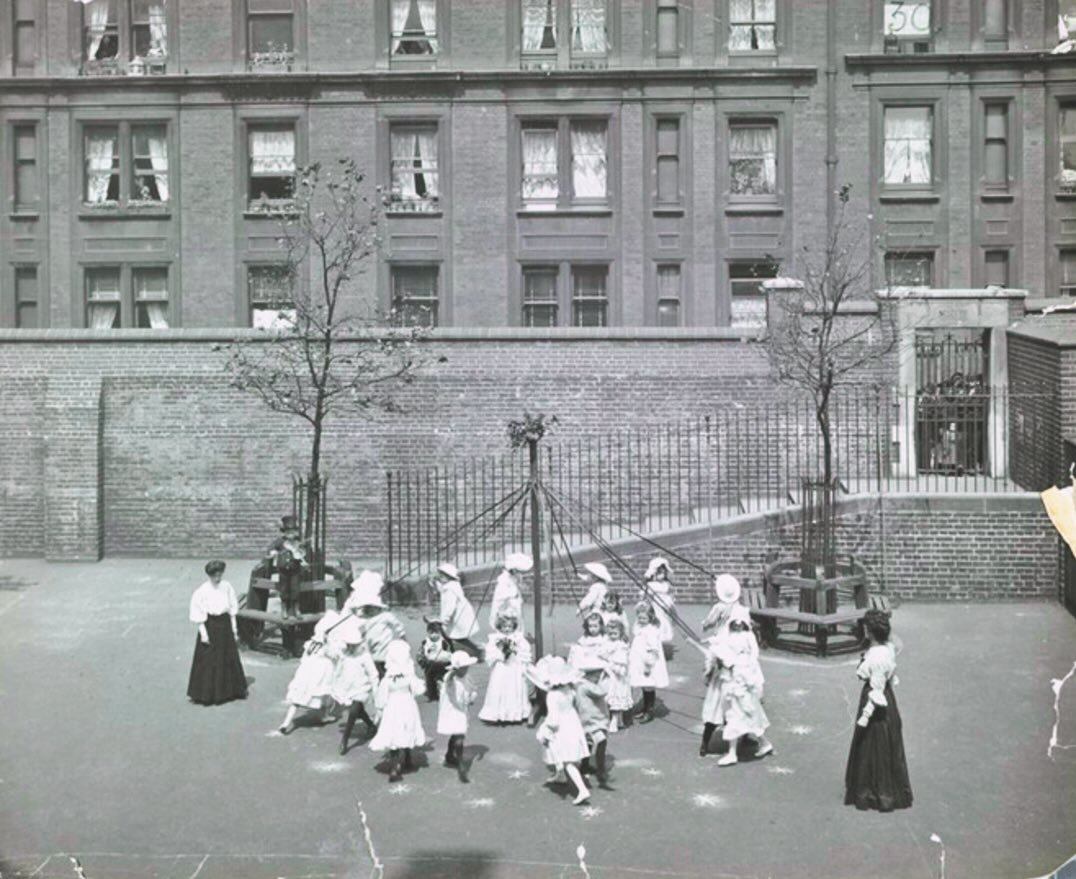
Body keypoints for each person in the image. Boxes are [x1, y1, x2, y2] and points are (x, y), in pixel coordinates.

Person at [844, 609, 913, 812]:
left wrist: (865, 716)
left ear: (868, 632)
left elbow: (876, 690)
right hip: (888, 699)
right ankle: (886, 789)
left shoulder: (875, 657)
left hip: (875, 701)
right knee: (886, 744)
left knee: (871, 743)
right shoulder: (888, 649)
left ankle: (873, 792)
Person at [711, 605, 774, 766]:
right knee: (736, 716)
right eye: (734, 622)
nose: (738, 625)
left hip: (742, 684)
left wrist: (744, 673)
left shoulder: (748, 639)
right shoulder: (727, 637)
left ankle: (737, 752)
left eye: (741, 623)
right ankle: (758, 745)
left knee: (742, 715)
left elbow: (753, 656)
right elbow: (719, 647)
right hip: (732, 682)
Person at [187, 560, 248, 706]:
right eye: (214, 575)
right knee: (209, 660)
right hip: (211, 626)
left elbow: (232, 607)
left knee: (228, 657)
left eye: (219, 575)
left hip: (225, 624)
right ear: (209, 575)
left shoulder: (226, 587)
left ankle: (230, 691)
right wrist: (204, 633)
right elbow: (198, 613)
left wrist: (234, 629)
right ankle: (208, 694)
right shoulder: (202, 591)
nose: (217, 578)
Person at [534, 656, 592, 805]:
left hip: (561, 728)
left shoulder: (552, 696)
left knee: (568, 760)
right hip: (572, 723)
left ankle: (582, 789)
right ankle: (561, 776)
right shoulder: (569, 690)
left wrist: (545, 729)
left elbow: (553, 720)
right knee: (561, 753)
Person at [369, 640, 427, 782]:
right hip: (407, 704)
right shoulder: (408, 674)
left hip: (392, 706)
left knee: (394, 732)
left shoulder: (388, 677)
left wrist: (380, 708)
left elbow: (381, 696)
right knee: (407, 729)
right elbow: (419, 690)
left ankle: (395, 767)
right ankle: (407, 757)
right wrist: (422, 683)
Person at [278, 608, 341, 735]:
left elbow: (304, 658)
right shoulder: (328, 646)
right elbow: (335, 656)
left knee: (297, 697)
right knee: (326, 692)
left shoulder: (311, 643)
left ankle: (286, 722)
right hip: (322, 671)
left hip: (306, 671)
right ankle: (325, 715)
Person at [331, 613, 379, 755]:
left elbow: (373, 674)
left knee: (353, 711)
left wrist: (375, 690)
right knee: (357, 710)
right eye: (349, 645)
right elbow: (338, 667)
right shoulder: (344, 654)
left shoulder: (364, 656)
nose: (351, 648)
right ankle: (371, 725)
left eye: (354, 645)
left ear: (360, 644)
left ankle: (345, 740)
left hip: (362, 688)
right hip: (348, 686)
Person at [343, 570, 406, 678]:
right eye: (367, 608)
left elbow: (398, 626)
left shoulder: (385, 616)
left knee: (382, 671)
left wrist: (403, 638)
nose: (370, 610)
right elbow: (348, 614)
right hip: (366, 650)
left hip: (383, 651)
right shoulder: (358, 609)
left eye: (372, 608)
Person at [479, 613, 532, 724]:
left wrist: (515, 651)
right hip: (501, 666)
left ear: (513, 627)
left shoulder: (518, 638)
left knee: (514, 687)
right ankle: (497, 713)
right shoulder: (495, 638)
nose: (507, 629)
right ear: (500, 627)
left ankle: (515, 713)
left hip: (514, 666)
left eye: (510, 626)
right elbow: (490, 652)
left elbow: (525, 649)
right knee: (499, 687)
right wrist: (500, 654)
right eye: (505, 626)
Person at [437, 650, 479, 781]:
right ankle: (461, 765)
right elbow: (447, 679)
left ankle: (449, 755)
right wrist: (453, 671)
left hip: (461, 710)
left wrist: (471, 697)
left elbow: (473, 689)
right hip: (452, 710)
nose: (465, 670)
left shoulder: (467, 677)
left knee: (456, 735)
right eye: (462, 668)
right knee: (459, 736)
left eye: (467, 668)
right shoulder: (451, 679)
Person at [571, 653, 611, 786]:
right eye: (598, 675)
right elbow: (602, 692)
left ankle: (585, 765)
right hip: (594, 721)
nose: (598, 678)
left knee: (587, 743)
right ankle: (601, 769)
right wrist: (608, 679)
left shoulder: (579, 684)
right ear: (591, 674)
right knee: (601, 742)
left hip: (585, 720)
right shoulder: (588, 686)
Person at [430, 562, 482, 658]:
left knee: (455, 636)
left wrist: (445, 620)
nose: (440, 577)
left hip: (457, 616)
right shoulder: (453, 585)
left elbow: (450, 606)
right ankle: (475, 649)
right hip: (461, 615)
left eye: (442, 575)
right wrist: (435, 583)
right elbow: (442, 588)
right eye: (440, 575)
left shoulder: (449, 589)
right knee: (456, 636)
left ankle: (475, 651)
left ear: (449, 576)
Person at [629, 601, 669, 724]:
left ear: (650, 617)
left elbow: (653, 649)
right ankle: (645, 708)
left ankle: (649, 711)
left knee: (648, 686)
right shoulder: (641, 628)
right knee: (644, 686)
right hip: (640, 662)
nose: (641, 620)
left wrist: (649, 665)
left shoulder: (651, 631)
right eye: (639, 617)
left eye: (644, 618)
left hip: (647, 664)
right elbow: (635, 630)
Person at [267, 514, 311, 619]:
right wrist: (273, 552)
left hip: (295, 570)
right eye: (288, 532)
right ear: (284, 533)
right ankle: (284, 608)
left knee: (295, 589)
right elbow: (271, 548)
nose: (290, 534)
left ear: (296, 532)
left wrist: (303, 554)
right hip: (283, 570)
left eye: (292, 532)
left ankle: (296, 608)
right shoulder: (280, 542)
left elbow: (305, 552)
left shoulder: (298, 542)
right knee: (284, 589)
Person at [600, 617, 633, 732]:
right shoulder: (607, 643)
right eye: (610, 633)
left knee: (616, 699)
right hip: (609, 676)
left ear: (620, 633)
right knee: (609, 699)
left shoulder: (621, 646)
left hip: (618, 678)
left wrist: (610, 662)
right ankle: (617, 720)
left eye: (615, 633)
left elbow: (621, 664)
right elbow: (601, 653)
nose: (612, 635)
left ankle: (615, 720)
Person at [490, 553, 531, 632]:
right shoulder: (503, 580)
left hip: (514, 607)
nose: (521, 574)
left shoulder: (513, 578)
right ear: (514, 570)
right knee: (509, 627)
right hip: (507, 609)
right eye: (519, 572)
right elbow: (502, 599)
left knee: (518, 624)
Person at [643, 557, 676, 649]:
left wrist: (671, 600)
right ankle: (653, 643)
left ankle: (663, 643)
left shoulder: (666, 584)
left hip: (665, 606)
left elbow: (670, 594)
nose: (663, 575)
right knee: (656, 622)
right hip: (656, 606)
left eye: (664, 572)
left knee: (665, 622)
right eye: (659, 572)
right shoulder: (651, 585)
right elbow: (647, 597)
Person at [417, 620, 453, 701]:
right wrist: (422, 662)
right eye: (431, 633)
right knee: (429, 679)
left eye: (436, 633)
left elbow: (449, 652)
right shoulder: (425, 642)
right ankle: (432, 695)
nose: (433, 635)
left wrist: (449, 662)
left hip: (442, 664)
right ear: (427, 632)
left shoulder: (444, 642)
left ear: (440, 633)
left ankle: (443, 694)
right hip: (429, 664)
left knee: (442, 679)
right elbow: (420, 653)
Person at [702, 573, 743, 640]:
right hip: (736, 634)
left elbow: (711, 620)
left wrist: (705, 625)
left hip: (723, 635)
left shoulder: (719, 607)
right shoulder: (737, 605)